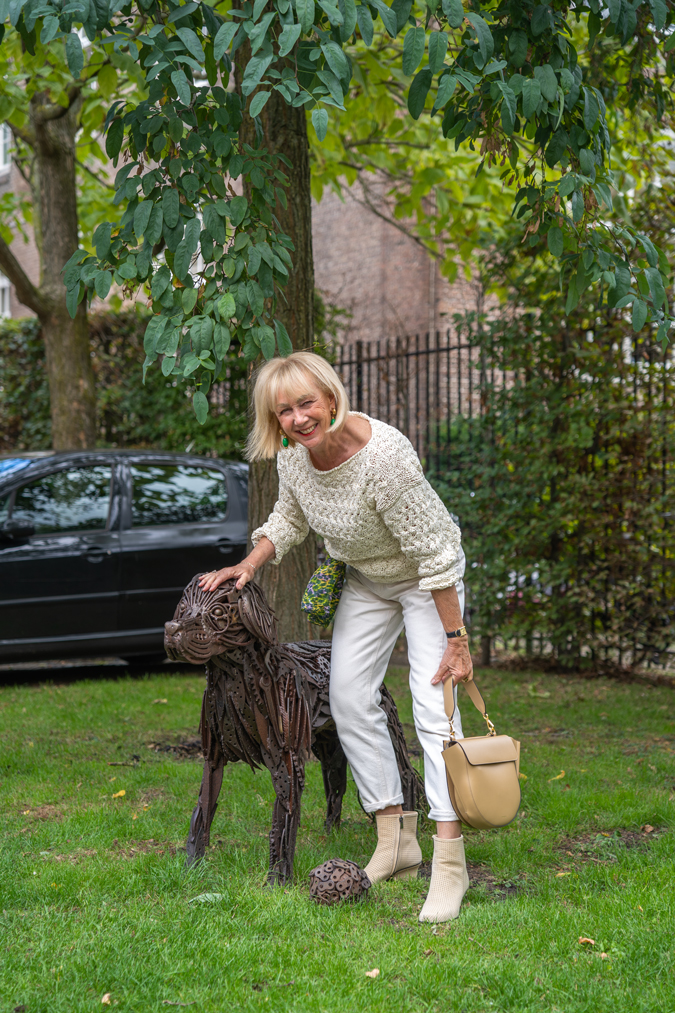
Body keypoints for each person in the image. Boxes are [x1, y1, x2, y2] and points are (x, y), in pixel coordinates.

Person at [199, 351, 473, 922]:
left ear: (330, 395)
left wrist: (456, 639)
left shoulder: (384, 458)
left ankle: (450, 863)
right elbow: (289, 520)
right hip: (370, 581)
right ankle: (395, 840)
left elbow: (435, 554)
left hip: (427, 583)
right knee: (348, 697)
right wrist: (249, 565)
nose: (299, 418)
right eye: (285, 412)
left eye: (307, 403)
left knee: (433, 712)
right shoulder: (298, 462)